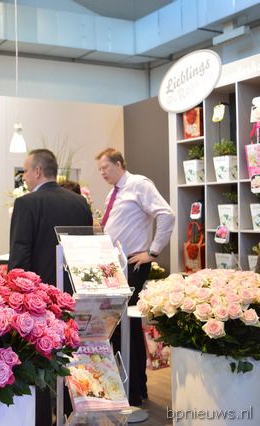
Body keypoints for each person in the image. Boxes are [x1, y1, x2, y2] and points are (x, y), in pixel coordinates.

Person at [9, 149, 93, 426]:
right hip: (73, 294)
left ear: (37, 171)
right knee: (71, 358)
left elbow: (20, 258)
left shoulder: (26, 204)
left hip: (39, 300)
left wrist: (15, 297)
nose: (24, 177)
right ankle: (72, 414)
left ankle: (42, 419)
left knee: (39, 361)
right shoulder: (80, 203)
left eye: (25, 171)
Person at [95, 147, 175, 406]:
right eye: (99, 169)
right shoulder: (113, 193)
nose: (102, 173)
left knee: (125, 327)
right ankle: (132, 386)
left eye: (105, 167)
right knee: (121, 327)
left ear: (119, 163)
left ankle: (134, 389)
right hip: (114, 266)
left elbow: (166, 214)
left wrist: (153, 252)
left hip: (132, 263)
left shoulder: (139, 184)